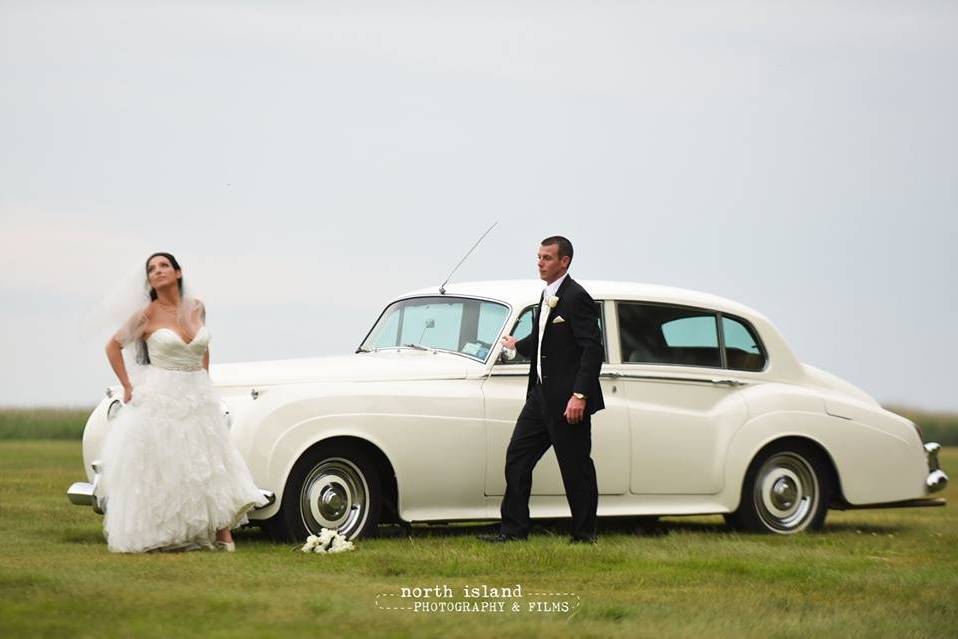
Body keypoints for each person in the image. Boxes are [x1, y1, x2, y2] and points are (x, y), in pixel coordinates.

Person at [96, 252, 267, 553]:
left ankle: (222, 529)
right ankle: (166, 530)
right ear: (149, 280)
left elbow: (204, 347)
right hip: (163, 393)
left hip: (197, 392)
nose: (158, 271)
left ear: (177, 272)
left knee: (210, 459)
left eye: (164, 266)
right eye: (152, 269)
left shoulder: (196, 307)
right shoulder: (146, 315)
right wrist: (126, 384)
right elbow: (113, 346)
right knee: (170, 462)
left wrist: (205, 378)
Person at [480, 236, 605, 544]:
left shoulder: (577, 297)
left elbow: (592, 350)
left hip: (568, 400)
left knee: (575, 468)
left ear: (565, 261)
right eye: (538, 257)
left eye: (547, 258)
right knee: (517, 458)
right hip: (539, 397)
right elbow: (542, 336)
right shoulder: (545, 295)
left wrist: (580, 395)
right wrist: (516, 345)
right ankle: (513, 530)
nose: (540, 262)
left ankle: (584, 535)